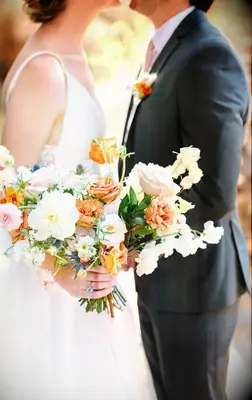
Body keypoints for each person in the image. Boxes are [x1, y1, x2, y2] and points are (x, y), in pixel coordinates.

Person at [0, 1, 156, 400]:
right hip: (50, 295)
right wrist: (62, 271)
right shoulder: (44, 69)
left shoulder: (73, 53)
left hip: (82, 282)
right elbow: (5, 199)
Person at [122, 0, 250, 399]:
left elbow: (214, 190)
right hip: (161, 281)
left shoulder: (208, 56)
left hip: (195, 286)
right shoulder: (167, 47)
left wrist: (134, 235)